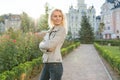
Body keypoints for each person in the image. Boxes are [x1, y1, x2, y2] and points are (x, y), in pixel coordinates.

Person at [39, 9, 67, 80]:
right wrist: (45, 48)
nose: (57, 18)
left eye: (60, 16)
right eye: (55, 16)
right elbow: (46, 46)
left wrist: (42, 45)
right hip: (46, 63)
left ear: (62, 18)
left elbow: (49, 45)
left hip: (55, 64)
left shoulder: (61, 30)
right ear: (51, 18)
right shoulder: (49, 31)